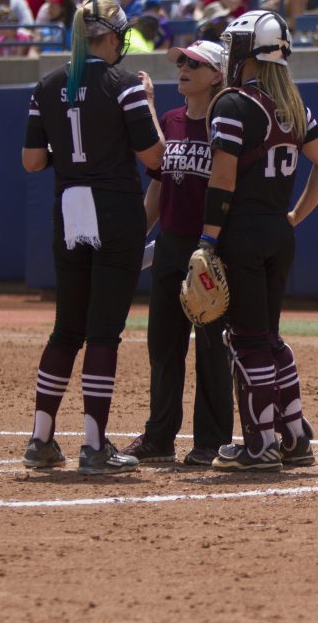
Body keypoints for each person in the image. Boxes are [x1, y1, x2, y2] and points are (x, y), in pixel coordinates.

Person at [19, 0, 164, 475]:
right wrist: (148, 103)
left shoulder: (46, 85)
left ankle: (41, 438)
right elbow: (154, 159)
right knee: (104, 332)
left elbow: (33, 161)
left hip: (69, 209)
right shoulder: (124, 86)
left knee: (66, 329)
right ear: (114, 36)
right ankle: (94, 444)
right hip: (115, 208)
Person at [201, 10, 318, 470]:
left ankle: (260, 444)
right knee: (270, 338)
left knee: (246, 340)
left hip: (241, 231)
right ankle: (295, 436)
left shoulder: (233, 103)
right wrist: (295, 216)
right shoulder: (293, 106)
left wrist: (206, 239)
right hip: (278, 234)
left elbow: (222, 179)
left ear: (245, 51)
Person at [119, 40, 236, 467]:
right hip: (170, 245)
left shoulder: (225, 122)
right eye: (182, 62)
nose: (184, 68)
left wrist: (217, 244)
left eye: (195, 63)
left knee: (210, 346)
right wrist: (136, 235)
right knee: (163, 346)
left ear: (217, 75)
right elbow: (159, 184)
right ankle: (159, 435)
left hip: (208, 249)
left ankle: (211, 440)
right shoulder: (170, 119)